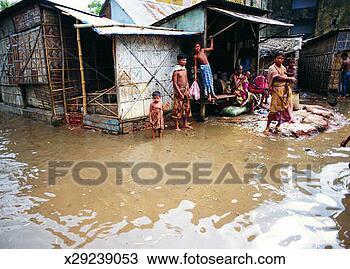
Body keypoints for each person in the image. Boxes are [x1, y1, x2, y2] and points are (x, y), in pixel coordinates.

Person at [263, 52, 296, 136]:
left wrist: (291, 74)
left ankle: (278, 125)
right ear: (275, 59)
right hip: (276, 90)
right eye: (278, 58)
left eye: (281, 58)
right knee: (273, 109)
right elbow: (278, 77)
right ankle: (267, 126)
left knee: (283, 109)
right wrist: (289, 78)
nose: (280, 60)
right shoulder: (272, 68)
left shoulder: (283, 68)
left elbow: (285, 75)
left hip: (284, 90)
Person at [172, 53, 192, 131]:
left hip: (185, 90)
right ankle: (176, 126)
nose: (185, 61)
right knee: (178, 108)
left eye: (185, 60)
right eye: (183, 60)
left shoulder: (184, 69)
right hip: (178, 91)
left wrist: (188, 89)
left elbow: (186, 80)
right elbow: (175, 83)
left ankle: (185, 124)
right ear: (178, 60)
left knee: (186, 108)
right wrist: (180, 93)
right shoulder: (176, 71)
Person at [194, 37, 217, 102]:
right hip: (203, 68)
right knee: (206, 81)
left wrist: (212, 39)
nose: (197, 48)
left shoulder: (203, 50)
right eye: (196, 47)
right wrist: (195, 75)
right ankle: (208, 95)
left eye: (198, 46)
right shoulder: (196, 56)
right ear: (194, 48)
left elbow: (211, 48)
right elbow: (195, 66)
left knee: (210, 80)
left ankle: (212, 93)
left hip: (208, 66)